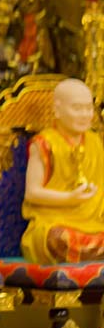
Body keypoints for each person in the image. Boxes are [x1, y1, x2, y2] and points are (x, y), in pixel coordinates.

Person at [21, 78, 104, 264]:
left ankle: (93, 252)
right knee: (59, 239)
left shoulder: (95, 142)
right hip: (54, 221)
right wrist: (69, 198)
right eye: (77, 108)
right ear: (57, 110)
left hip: (94, 221)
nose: (85, 115)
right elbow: (32, 193)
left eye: (89, 108)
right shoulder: (44, 144)